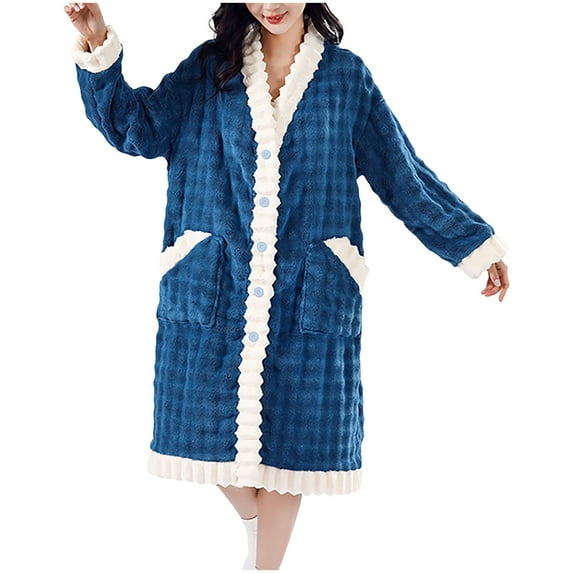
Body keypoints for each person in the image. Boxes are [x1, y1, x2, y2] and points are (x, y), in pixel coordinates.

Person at [64, 2, 510, 570]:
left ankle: (264, 566)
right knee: (199, 429)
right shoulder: (210, 69)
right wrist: (97, 45)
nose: (271, 4)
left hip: (309, 293)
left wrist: (473, 243)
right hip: (213, 288)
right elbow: (138, 127)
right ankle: (259, 542)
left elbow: (402, 174)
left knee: (291, 448)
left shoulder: (346, 79)